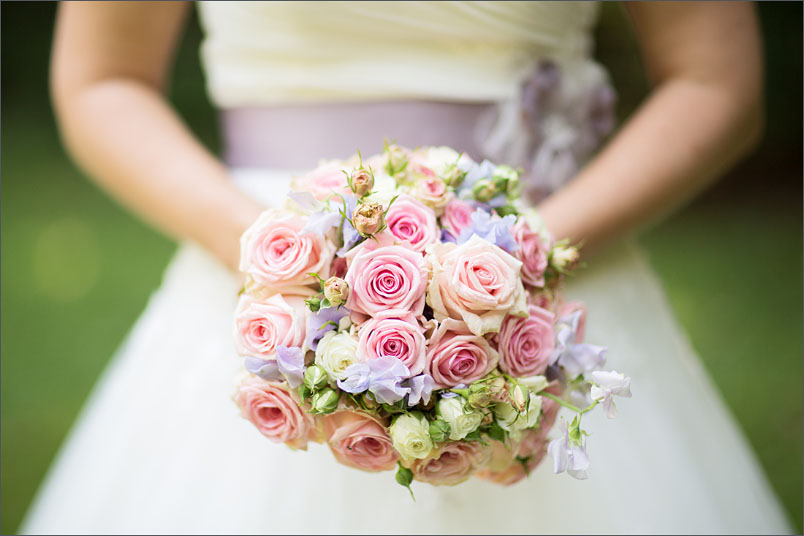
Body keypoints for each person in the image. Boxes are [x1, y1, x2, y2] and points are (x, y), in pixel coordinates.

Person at [21, 1, 792, 534]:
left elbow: (715, 79)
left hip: (552, 274)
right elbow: (102, 77)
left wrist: (519, 256)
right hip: (267, 275)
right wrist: (285, 257)